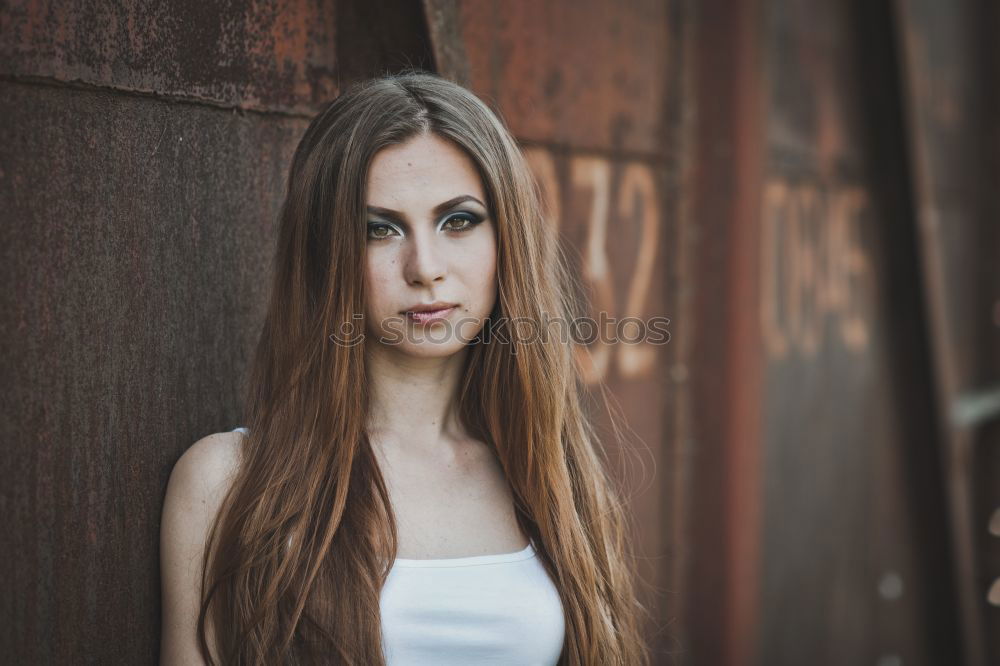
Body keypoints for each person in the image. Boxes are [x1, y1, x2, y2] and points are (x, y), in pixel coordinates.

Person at [160, 70, 651, 665]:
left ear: (508, 239)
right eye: (379, 229)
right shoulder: (229, 483)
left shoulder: (548, 473)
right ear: (325, 254)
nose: (425, 267)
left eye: (459, 220)